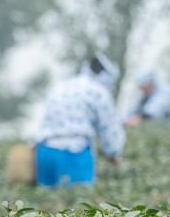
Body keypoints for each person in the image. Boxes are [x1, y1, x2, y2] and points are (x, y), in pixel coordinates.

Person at [34, 53, 125, 187]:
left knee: (46, 205)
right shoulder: (98, 91)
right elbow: (109, 128)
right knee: (78, 205)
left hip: (45, 152)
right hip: (73, 152)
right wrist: (113, 153)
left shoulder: (62, 86)